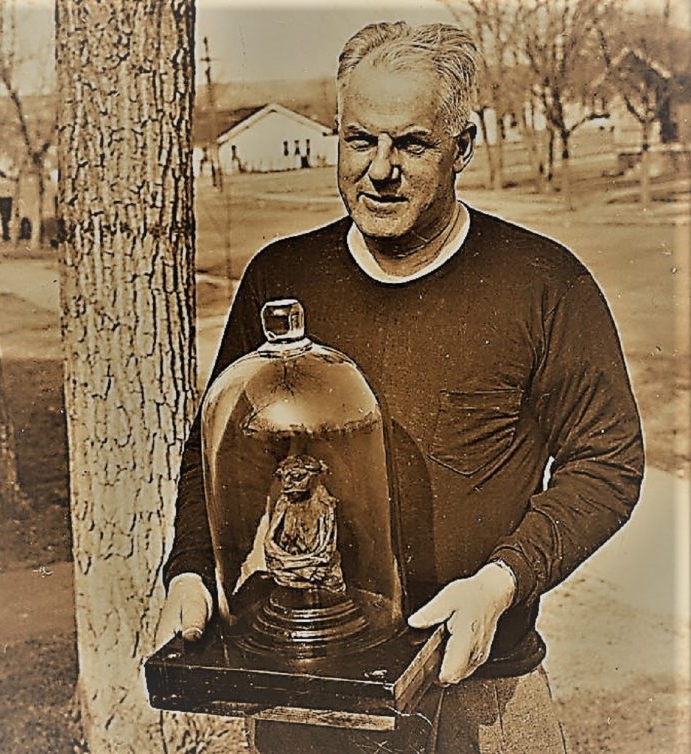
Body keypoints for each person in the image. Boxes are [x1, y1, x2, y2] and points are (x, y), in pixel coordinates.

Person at [156, 21, 644, 753]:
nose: (379, 169)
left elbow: (607, 463)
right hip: (312, 692)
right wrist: (191, 569)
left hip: (481, 685)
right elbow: (218, 448)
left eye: (412, 144)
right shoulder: (282, 277)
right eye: (359, 140)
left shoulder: (544, 284)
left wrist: (500, 584)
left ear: (463, 149)